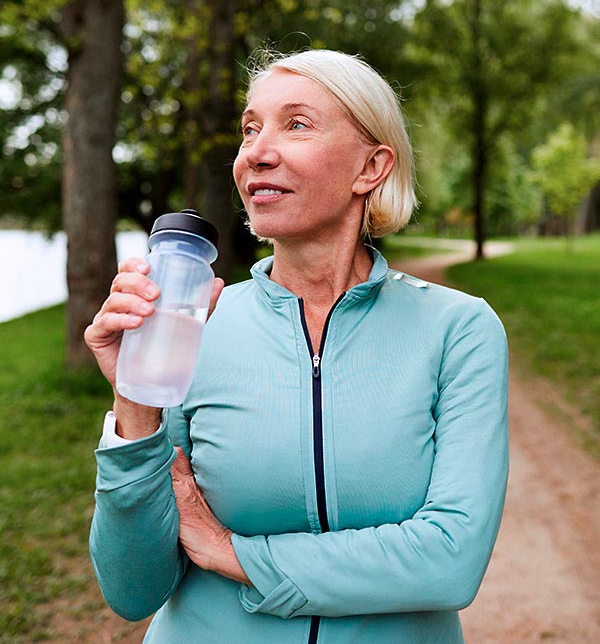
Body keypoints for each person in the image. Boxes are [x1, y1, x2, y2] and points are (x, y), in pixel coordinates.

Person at [85, 49, 509, 643]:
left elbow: (450, 560)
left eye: (297, 124)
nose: (256, 151)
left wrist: (233, 553)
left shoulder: (458, 329)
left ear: (372, 167)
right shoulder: (192, 322)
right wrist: (134, 401)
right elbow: (133, 591)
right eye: (250, 128)